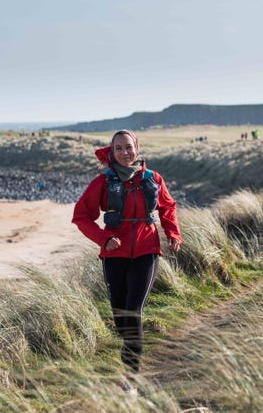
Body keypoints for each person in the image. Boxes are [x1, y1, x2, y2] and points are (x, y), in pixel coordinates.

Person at [72, 130, 182, 373]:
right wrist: (104, 238)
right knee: (120, 316)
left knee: (133, 312)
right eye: (119, 148)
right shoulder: (102, 182)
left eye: (128, 147)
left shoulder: (153, 178)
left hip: (147, 251)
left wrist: (173, 233)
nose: (124, 153)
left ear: (137, 148)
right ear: (112, 152)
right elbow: (81, 216)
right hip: (114, 255)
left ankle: (131, 376)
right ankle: (129, 352)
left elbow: (167, 207)